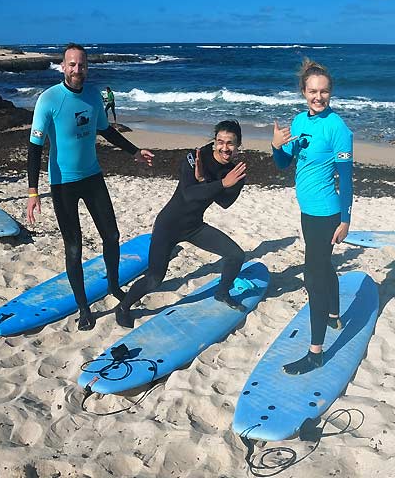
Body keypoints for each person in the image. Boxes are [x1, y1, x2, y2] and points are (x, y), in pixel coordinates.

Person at [26, 43, 154, 331]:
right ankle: (84, 308)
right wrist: (33, 192)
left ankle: (112, 286)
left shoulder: (94, 96)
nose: (77, 69)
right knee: (74, 247)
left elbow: (105, 130)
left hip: (93, 176)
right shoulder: (49, 100)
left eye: (81, 64)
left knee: (112, 235)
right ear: (63, 66)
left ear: (87, 67)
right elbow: (34, 148)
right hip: (63, 183)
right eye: (71, 64)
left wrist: (134, 151)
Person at [115, 120, 249, 328]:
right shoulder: (196, 157)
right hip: (168, 226)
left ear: (238, 145)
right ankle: (123, 307)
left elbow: (224, 203)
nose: (224, 148)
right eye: (220, 141)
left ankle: (222, 292)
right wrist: (221, 184)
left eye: (230, 143)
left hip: (194, 226)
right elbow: (188, 194)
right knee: (154, 279)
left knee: (236, 255)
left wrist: (222, 183)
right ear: (214, 142)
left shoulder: (234, 172)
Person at [271, 58, 354, 375]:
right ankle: (334, 314)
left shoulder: (338, 129)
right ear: (303, 92)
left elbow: (346, 180)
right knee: (323, 266)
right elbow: (282, 164)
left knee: (313, 277)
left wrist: (345, 219)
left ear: (330, 93)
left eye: (324, 92)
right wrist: (276, 146)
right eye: (312, 92)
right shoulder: (299, 122)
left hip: (328, 215)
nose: (318, 97)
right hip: (307, 213)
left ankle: (315, 352)